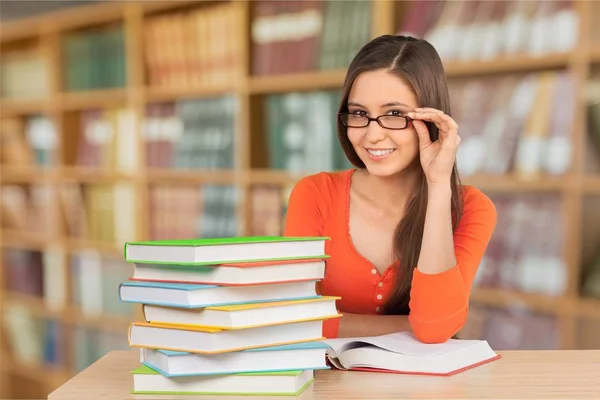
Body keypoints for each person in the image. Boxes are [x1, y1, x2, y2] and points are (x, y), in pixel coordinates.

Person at [283, 35, 497, 344]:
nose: (372, 135)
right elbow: (295, 318)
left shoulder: (471, 208)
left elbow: (435, 327)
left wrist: (438, 187)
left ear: (431, 118)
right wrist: (409, 327)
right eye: (359, 114)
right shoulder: (315, 194)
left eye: (394, 114)